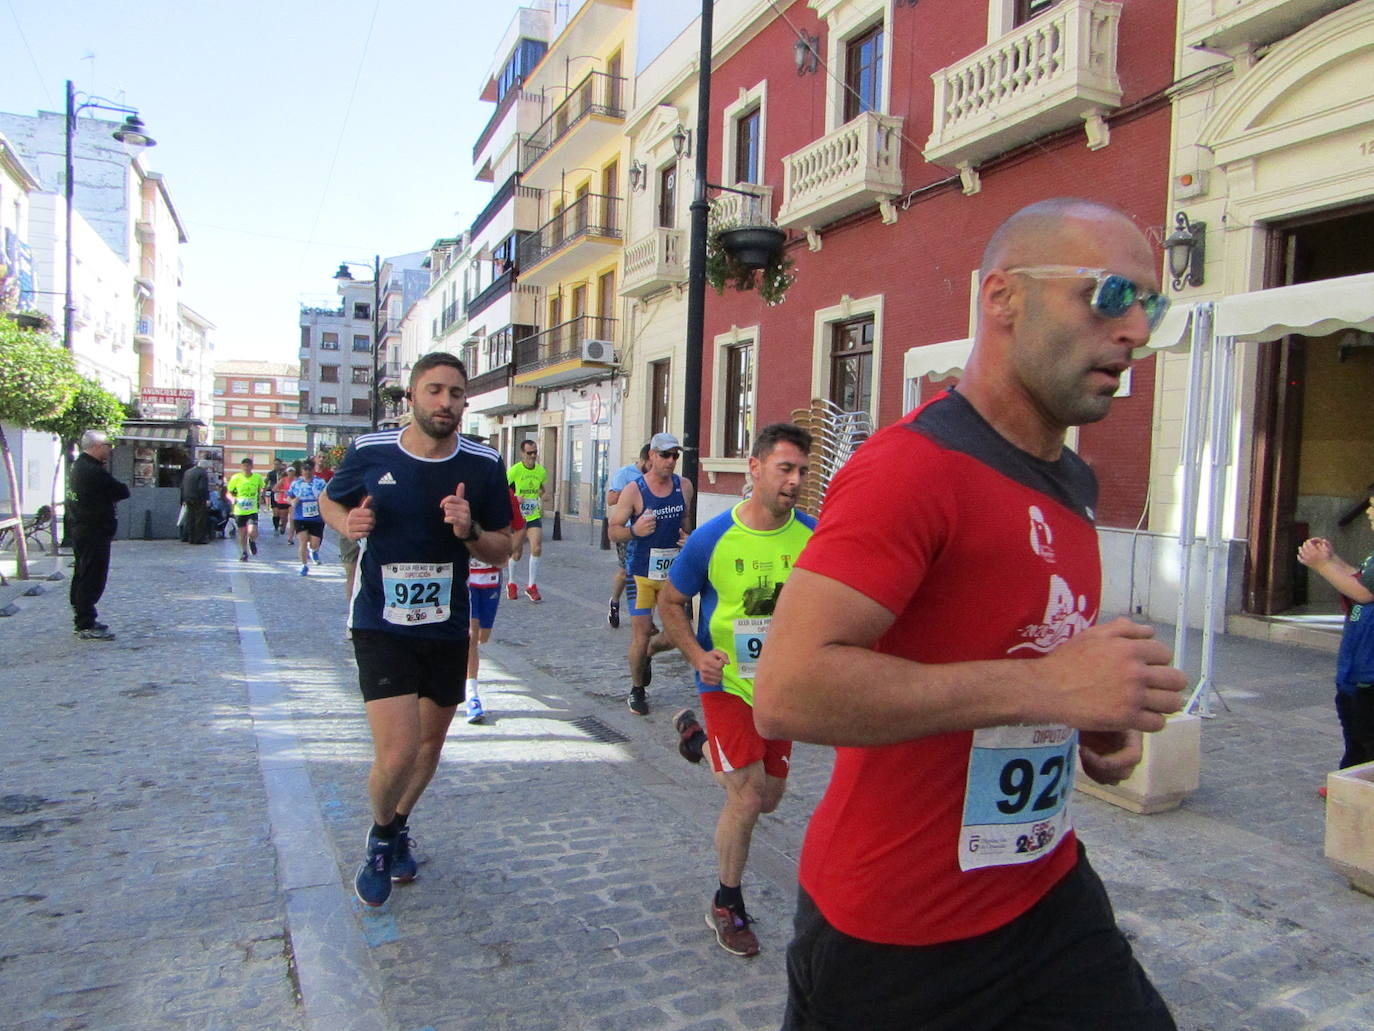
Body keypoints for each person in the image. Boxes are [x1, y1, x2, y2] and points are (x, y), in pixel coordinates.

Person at [754, 198, 1186, 1030]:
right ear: (1002, 299)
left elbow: (1022, 652)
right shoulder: (910, 469)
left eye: (1151, 304)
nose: (1137, 328)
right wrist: (1053, 689)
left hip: (1044, 890)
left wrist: (1090, 716)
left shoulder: (1072, 480)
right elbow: (789, 689)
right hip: (896, 937)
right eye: (1110, 295)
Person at [319, 352, 513, 908]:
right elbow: (333, 502)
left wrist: (469, 528)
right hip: (380, 619)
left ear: (465, 402)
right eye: (434, 391)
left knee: (430, 744)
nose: (445, 403)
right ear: (412, 396)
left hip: (447, 625)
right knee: (399, 750)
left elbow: (501, 550)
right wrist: (347, 524)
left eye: (455, 393)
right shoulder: (370, 451)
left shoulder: (482, 464)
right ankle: (380, 837)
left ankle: (399, 823)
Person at [657, 423, 816, 958]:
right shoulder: (712, 537)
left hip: (782, 689)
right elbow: (671, 603)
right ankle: (727, 901)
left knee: (768, 799)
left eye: (801, 471)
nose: (794, 481)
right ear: (755, 468)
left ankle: (696, 741)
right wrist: (698, 656)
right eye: (784, 469)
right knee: (745, 797)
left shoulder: (815, 537)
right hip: (726, 683)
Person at [608, 431, 695, 715]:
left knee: (674, 636)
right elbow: (613, 531)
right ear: (652, 456)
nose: (671, 461)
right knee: (642, 632)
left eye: (675, 456)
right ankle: (637, 690)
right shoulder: (634, 490)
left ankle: (649, 654)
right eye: (666, 455)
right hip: (640, 574)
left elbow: (685, 523)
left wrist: (687, 538)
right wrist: (634, 530)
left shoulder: (684, 487)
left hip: (671, 576)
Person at [1298, 507, 1374, 782]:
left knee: (1366, 734)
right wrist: (1334, 560)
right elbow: (1360, 579)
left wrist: (1321, 565)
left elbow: (1364, 594)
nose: (1368, 511)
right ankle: (1348, 781)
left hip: (1369, 670)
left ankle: (1357, 789)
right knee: (1353, 728)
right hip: (1357, 662)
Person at [465, 483, 527, 724]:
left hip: (490, 578)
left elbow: (521, 526)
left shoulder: (502, 493)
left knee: (482, 637)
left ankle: (465, 671)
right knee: (471, 635)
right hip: (465, 577)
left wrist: (509, 549)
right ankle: (472, 694)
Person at [68, 430, 130, 640]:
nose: (109, 450)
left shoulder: (78, 466)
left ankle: (84, 617)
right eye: (107, 445)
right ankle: (85, 623)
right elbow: (121, 490)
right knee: (91, 576)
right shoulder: (93, 471)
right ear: (96, 446)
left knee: (83, 572)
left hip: (83, 528)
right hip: (93, 529)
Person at [605, 444, 650, 629]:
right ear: (645, 459)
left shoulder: (656, 477)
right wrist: (632, 491)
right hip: (627, 530)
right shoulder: (625, 473)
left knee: (646, 574)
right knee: (625, 572)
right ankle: (614, 602)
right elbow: (610, 499)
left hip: (648, 530)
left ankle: (643, 616)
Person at [506, 439, 547, 602]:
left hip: (533, 515)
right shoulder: (514, 471)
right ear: (522, 453)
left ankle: (531, 586)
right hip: (518, 516)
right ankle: (511, 582)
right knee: (517, 552)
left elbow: (542, 490)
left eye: (535, 452)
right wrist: (515, 498)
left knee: (536, 548)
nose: (533, 456)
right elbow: (502, 492)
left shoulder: (540, 471)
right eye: (529, 453)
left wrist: (544, 496)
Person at [288, 459, 329, 576]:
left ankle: (313, 550)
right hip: (300, 516)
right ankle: (303, 565)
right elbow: (288, 497)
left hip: (316, 517)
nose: (307, 472)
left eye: (309, 470)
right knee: (303, 540)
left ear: (313, 471)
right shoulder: (296, 484)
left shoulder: (320, 482)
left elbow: (327, 496)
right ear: (301, 471)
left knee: (315, 543)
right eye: (304, 470)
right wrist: (292, 501)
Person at [226, 458, 267, 562]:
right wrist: (232, 499)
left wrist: (262, 495)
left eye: (248, 466)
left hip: (252, 509)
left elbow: (263, 487)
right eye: (244, 466)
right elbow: (228, 492)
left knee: (252, 531)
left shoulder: (257, 477)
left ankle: (252, 540)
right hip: (239, 510)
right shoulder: (236, 478)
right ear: (241, 467)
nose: (246, 468)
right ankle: (244, 552)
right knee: (242, 533)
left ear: (252, 467)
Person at [180, 459, 211, 545]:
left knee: (190, 517)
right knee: (200, 518)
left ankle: (190, 537)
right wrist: (206, 499)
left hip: (187, 497)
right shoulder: (202, 473)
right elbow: (202, 488)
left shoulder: (188, 472)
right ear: (205, 467)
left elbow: (182, 486)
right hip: (198, 498)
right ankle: (198, 539)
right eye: (207, 468)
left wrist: (184, 498)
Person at [265, 458, 289, 534]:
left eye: (277, 464)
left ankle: (282, 525)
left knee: (283, 512)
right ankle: (276, 527)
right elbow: (266, 483)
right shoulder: (271, 473)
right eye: (275, 464)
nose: (276, 466)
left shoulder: (284, 473)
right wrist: (265, 491)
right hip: (274, 493)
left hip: (282, 494)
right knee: (275, 512)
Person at [272, 463, 295, 541]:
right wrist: (283, 491)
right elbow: (274, 489)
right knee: (284, 517)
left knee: (292, 518)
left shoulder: (296, 480)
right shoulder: (283, 480)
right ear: (287, 472)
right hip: (283, 500)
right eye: (289, 472)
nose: (291, 473)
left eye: (292, 472)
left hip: (292, 501)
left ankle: (290, 535)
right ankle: (283, 527)